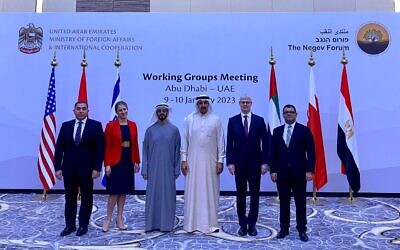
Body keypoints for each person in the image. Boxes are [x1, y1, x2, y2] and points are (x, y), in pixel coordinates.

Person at [55, 101, 104, 237]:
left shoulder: (96, 126)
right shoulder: (66, 126)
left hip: (87, 170)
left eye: (84, 109)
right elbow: (59, 148)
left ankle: (83, 225)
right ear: (74, 110)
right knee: (69, 198)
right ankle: (70, 225)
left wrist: (97, 168)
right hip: (69, 169)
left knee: (87, 198)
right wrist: (57, 167)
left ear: (88, 111)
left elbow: (100, 149)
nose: (81, 111)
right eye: (78, 109)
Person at [270, 104, 315, 242]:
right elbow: (273, 153)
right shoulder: (277, 131)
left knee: (300, 202)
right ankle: (284, 229)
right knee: (284, 202)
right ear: (283, 115)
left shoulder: (304, 130)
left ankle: (302, 229)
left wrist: (309, 170)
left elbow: (311, 152)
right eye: (286, 112)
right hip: (282, 174)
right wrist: (273, 170)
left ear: (296, 114)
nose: (288, 114)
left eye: (291, 112)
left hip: (299, 173)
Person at [181, 94, 225, 233]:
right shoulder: (189, 119)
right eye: (200, 103)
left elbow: (220, 142)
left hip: (210, 163)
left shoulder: (216, 120)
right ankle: (191, 224)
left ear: (209, 104)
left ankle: (210, 224)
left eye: (205, 103)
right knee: (193, 191)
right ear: (197, 105)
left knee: (210, 191)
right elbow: (185, 141)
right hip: (192, 162)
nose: (203, 105)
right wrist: (183, 160)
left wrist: (220, 161)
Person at [226, 95, 268, 236]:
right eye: (242, 102)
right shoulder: (232, 121)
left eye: (247, 102)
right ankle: (243, 224)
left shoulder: (259, 121)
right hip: (238, 165)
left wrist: (264, 162)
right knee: (241, 194)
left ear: (251, 104)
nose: (245, 104)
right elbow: (229, 144)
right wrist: (230, 162)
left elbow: (266, 144)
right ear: (239, 104)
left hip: (255, 164)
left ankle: (252, 224)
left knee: (255, 195)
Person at [141, 103, 181, 232]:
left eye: (164, 111)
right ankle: (151, 225)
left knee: (168, 197)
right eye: (160, 111)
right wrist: (145, 169)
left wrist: (176, 169)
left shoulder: (174, 130)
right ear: (156, 113)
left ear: (167, 113)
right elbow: (145, 151)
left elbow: (178, 151)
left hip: (169, 170)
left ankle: (166, 225)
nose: (162, 113)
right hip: (153, 170)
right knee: (153, 196)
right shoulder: (150, 130)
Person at [102, 101, 140, 232]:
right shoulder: (110, 126)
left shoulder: (133, 125)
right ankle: (108, 218)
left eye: (125, 109)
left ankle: (119, 218)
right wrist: (107, 164)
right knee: (114, 192)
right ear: (116, 112)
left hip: (128, 161)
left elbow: (135, 144)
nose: (123, 112)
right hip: (114, 162)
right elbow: (106, 146)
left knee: (123, 191)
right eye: (120, 110)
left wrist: (137, 161)